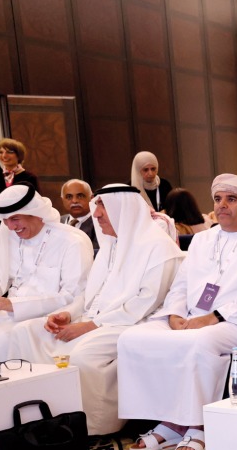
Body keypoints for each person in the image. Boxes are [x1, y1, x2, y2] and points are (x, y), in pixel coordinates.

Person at [117, 174, 237, 450]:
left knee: (198, 342)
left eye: (231, 199)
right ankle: (170, 419)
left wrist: (214, 317)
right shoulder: (202, 239)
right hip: (192, 317)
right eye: (218, 199)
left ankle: (198, 424)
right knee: (132, 338)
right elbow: (181, 285)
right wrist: (174, 314)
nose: (222, 205)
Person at [11, 185, 181, 435]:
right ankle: (44, 416)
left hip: (133, 322)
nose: (97, 214)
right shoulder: (111, 245)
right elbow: (91, 293)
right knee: (25, 332)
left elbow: (146, 302)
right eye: (97, 206)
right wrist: (68, 314)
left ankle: (91, 427)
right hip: (97, 318)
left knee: (83, 356)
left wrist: (89, 326)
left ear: (123, 210)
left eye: (103, 207)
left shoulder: (159, 248)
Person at [0, 183, 94, 358]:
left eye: (15, 219)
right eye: (5, 221)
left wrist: (13, 305)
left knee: (0, 338)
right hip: (9, 313)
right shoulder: (9, 236)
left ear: (36, 213)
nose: (11, 227)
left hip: (52, 317)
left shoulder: (72, 242)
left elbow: (73, 296)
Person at [60, 179, 98, 251]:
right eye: (69, 197)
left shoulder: (100, 223)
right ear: (62, 200)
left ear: (92, 198)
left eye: (80, 196)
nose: (74, 201)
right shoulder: (56, 222)